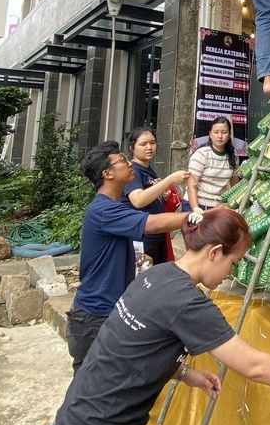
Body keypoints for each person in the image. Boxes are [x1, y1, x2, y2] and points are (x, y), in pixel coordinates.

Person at [45, 206, 270, 425]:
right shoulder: (188, 302)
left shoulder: (157, 275)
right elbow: (253, 365)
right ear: (215, 253)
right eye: (233, 263)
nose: (231, 272)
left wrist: (184, 373)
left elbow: (133, 345)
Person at [67, 142, 192, 371]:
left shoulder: (114, 207)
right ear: (107, 174)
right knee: (91, 391)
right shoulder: (103, 210)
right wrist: (199, 216)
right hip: (94, 317)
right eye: (122, 160)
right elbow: (152, 224)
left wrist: (137, 261)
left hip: (110, 311)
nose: (128, 162)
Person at [120, 127, 192, 266]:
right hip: (143, 238)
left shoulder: (148, 170)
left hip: (157, 236)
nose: (149, 147)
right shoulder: (133, 171)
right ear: (132, 147)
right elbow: (138, 200)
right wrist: (170, 179)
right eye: (143, 144)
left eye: (152, 143)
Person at [187, 117, 238, 211]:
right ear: (210, 134)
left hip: (218, 206)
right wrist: (196, 210)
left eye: (224, 132)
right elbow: (192, 185)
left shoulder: (233, 154)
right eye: (216, 132)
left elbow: (234, 184)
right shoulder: (202, 154)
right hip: (197, 204)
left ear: (229, 134)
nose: (220, 136)